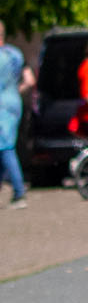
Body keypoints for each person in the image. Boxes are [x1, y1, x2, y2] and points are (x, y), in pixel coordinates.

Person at [0, 19, 35, 209]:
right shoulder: (15, 53)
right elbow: (30, 80)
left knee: (5, 148)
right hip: (14, 103)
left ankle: (19, 192)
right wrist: (15, 91)